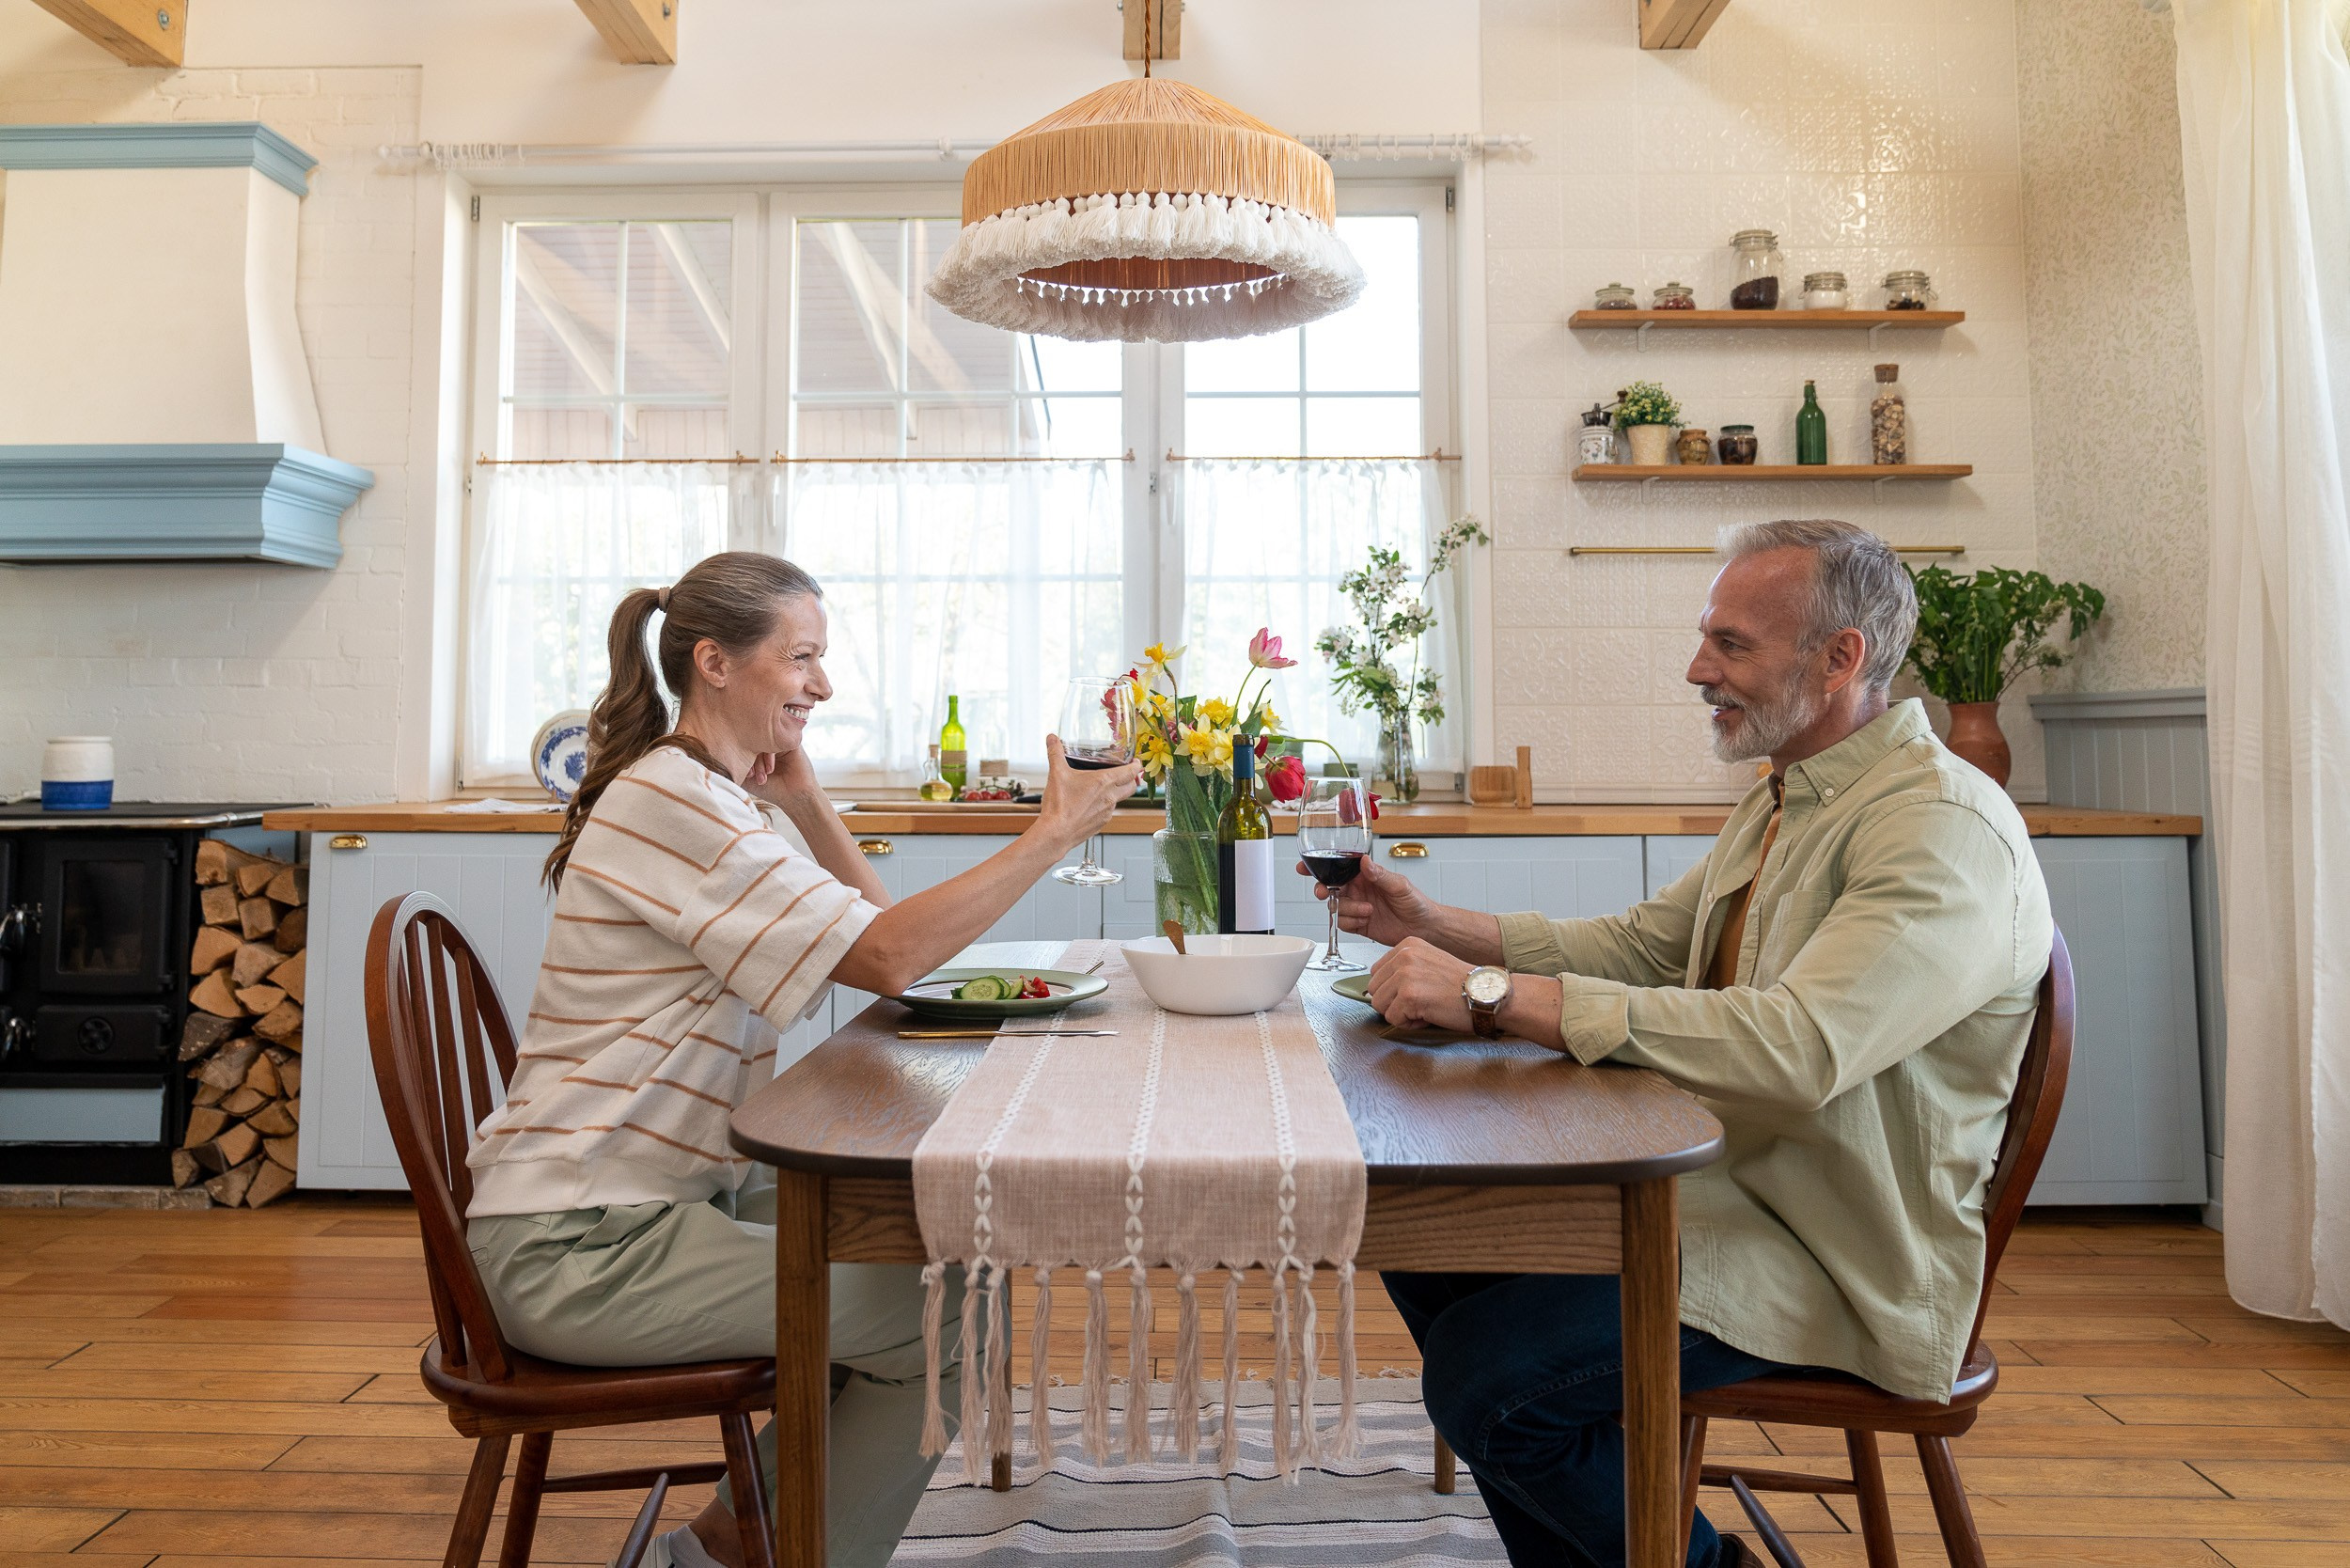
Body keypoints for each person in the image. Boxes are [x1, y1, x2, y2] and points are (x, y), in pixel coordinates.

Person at [1315, 519, 2053, 1568]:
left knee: (1488, 1382)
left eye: (1732, 645)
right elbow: (1644, 947)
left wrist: (1491, 998)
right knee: (1434, 1240)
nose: (1697, 669)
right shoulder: (1788, 798)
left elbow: (1795, 1048)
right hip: (1730, 1189)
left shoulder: (1939, 829)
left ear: (1840, 658)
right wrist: (1429, 923)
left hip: (1832, 1249)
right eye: (1708, 638)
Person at [465, 552, 1140, 1568]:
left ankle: (743, 1539)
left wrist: (810, 804)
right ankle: (755, 1551)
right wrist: (1052, 833)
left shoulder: (718, 800)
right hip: (579, 1242)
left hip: (661, 1203)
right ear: (716, 664)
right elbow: (891, 956)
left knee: (949, 1244)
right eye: (803, 658)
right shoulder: (676, 804)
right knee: (948, 1313)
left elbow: (877, 955)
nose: (822, 684)